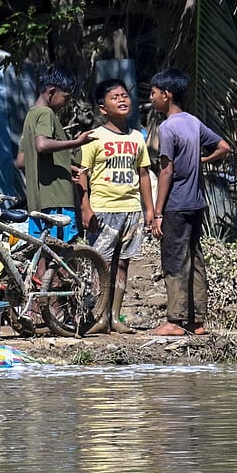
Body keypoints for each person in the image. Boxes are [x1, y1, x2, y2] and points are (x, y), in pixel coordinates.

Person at [147, 68, 231, 336]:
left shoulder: (168, 127)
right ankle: (198, 322)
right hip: (197, 203)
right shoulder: (193, 122)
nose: (151, 98)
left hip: (175, 204)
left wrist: (157, 212)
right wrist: (203, 160)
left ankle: (175, 320)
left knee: (174, 259)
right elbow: (224, 146)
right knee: (195, 259)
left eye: (154, 93)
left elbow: (166, 171)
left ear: (167, 95)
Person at [76, 78, 154, 333]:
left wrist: (150, 210)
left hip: (131, 209)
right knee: (102, 263)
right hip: (103, 209)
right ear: (102, 108)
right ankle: (99, 317)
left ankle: (115, 318)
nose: (122, 100)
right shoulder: (94, 137)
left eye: (124, 95)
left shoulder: (137, 138)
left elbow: (143, 174)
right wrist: (86, 206)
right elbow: (82, 174)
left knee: (123, 263)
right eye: (115, 97)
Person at [15, 65, 96, 240]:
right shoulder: (45, 113)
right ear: (51, 92)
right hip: (56, 201)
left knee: (42, 254)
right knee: (61, 254)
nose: (66, 103)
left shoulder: (31, 115)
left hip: (37, 202)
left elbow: (21, 161)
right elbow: (42, 145)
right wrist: (76, 141)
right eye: (66, 98)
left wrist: (64, 166)